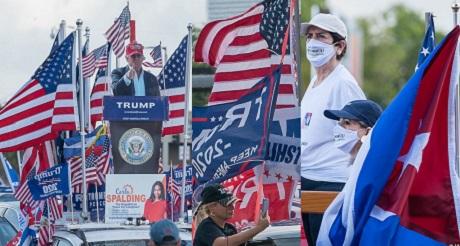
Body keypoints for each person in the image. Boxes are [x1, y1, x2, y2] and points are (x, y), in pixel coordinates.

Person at [300, 13, 366, 245]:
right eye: (309, 36)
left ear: (339, 46)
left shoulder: (343, 84)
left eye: (321, 36)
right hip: (309, 180)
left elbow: (361, 133)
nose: (313, 42)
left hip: (332, 182)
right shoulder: (314, 82)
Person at [193, 184, 270, 246]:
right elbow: (222, 244)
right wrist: (259, 228)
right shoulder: (206, 226)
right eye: (228, 204)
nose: (233, 207)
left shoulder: (230, 228)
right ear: (212, 207)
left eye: (233, 203)